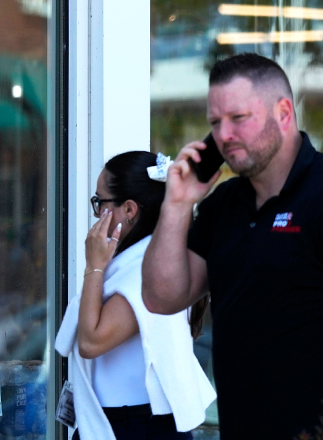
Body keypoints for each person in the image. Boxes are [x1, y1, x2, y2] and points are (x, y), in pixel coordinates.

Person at [142, 53, 323, 440]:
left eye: (238, 118)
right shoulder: (223, 206)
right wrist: (178, 203)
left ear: (283, 112)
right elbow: (162, 297)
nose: (223, 134)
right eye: (215, 122)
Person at [56, 151, 215, 439]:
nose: (95, 213)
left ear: (129, 209)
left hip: (135, 426)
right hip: (127, 421)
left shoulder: (149, 269)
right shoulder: (144, 259)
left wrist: (93, 266)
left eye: (99, 202)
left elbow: (91, 342)